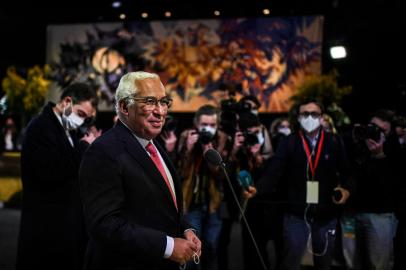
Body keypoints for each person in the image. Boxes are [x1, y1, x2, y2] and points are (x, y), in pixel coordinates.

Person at [79, 71, 201, 270]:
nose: (160, 111)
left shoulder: (152, 144)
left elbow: (162, 204)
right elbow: (104, 225)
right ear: (124, 106)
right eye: (150, 101)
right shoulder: (103, 152)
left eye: (164, 102)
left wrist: (185, 228)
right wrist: (169, 246)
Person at [248, 100, 354, 270]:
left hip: (326, 212)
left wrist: (347, 190)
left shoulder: (334, 141)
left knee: (324, 262)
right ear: (298, 118)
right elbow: (274, 171)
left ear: (321, 118)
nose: (309, 118)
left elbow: (347, 172)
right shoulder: (289, 141)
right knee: (290, 260)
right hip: (296, 212)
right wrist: (258, 188)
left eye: (314, 114)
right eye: (305, 114)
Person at [16, 82, 99, 270]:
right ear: (66, 102)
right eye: (80, 114)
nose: (81, 121)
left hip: (65, 229)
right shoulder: (40, 128)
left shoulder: (69, 130)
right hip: (45, 231)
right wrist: (84, 147)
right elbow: (50, 173)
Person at [177, 104, 227, 270]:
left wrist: (210, 154)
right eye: (204, 125)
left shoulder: (221, 139)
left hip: (213, 202)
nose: (208, 129)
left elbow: (222, 176)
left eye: (212, 125)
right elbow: (180, 173)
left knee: (212, 245)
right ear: (196, 125)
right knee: (193, 248)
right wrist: (188, 149)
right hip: (192, 203)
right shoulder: (187, 136)